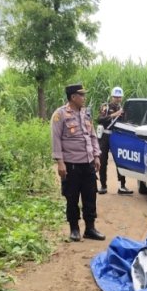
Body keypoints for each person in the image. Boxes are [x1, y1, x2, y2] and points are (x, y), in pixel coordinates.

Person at [51, 83, 105, 242]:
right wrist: (60, 162)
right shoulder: (60, 115)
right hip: (71, 165)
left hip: (87, 164)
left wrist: (96, 156)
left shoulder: (85, 114)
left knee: (90, 196)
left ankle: (90, 228)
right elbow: (56, 139)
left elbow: (93, 136)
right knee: (72, 197)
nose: (84, 98)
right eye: (81, 95)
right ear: (73, 97)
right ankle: (74, 229)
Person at [96, 86, 132, 195]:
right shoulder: (105, 107)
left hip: (117, 137)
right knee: (103, 161)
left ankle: (122, 186)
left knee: (120, 161)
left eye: (119, 97)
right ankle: (103, 186)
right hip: (105, 137)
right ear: (112, 97)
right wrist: (113, 115)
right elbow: (99, 119)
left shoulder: (123, 108)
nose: (117, 99)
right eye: (116, 97)